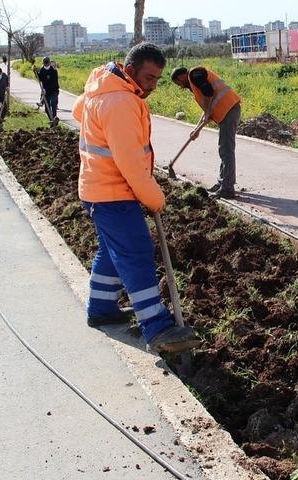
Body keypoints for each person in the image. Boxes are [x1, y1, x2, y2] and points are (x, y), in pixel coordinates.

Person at [72, 43, 201, 353]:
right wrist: (154, 198)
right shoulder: (120, 101)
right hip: (113, 192)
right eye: (148, 78)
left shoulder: (102, 87)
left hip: (96, 189)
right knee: (136, 251)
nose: (153, 86)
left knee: (112, 250)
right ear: (130, 71)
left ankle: (101, 308)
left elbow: (78, 111)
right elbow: (130, 163)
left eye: (157, 79)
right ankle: (156, 326)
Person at [170, 66, 241, 199]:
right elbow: (207, 109)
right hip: (227, 111)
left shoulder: (195, 74)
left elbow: (209, 92)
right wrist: (196, 129)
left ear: (181, 77)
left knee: (226, 150)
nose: (180, 86)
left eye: (178, 83)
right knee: (224, 149)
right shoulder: (194, 80)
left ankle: (227, 189)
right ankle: (222, 182)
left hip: (229, 109)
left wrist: (208, 112)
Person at [37, 56, 60, 126]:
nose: (46, 64)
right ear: (43, 63)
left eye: (47, 62)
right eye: (45, 63)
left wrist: (46, 89)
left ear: (49, 62)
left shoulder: (54, 71)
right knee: (47, 109)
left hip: (54, 90)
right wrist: (35, 72)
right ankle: (52, 120)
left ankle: (54, 118)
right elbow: (40, 79)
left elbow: (54, 82)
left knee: (53, 103)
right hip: (46, 92)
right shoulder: (42, 71)